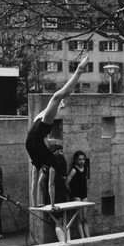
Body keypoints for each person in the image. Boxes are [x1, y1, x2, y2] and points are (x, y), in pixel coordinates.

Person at [25, 56, 90, 208]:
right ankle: (79, 71)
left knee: (56, 97)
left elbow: (38, 181)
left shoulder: (41, 158)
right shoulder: (51, 161)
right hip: (34, 135)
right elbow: (50, 184)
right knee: (56, 97)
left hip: (34, 135)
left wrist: (36, 205)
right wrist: (52, 204)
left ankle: (79, 71)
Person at [66, 150, 91, 239]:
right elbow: (67, 183)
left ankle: (88, 238)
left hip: (84, 194)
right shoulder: (74, 170)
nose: (82, 161)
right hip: (76, 195)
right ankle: (82, 238)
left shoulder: (86, 169)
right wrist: (71, 193)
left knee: (85, 218)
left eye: (83, 159)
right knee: (79, 218)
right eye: (80, 159)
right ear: (76, 160)